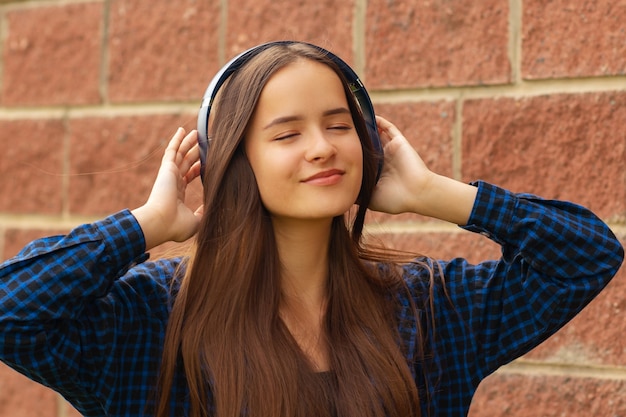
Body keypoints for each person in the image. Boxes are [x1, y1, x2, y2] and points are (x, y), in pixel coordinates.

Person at [0, 41, 623, 417]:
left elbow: (587, 255)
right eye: (287, 133)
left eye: (338, 125)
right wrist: (145, 226)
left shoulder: (430, 308)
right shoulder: (153, 323)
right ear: (234, 162)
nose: (323, 148)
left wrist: (438, 195)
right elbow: (12, 312)